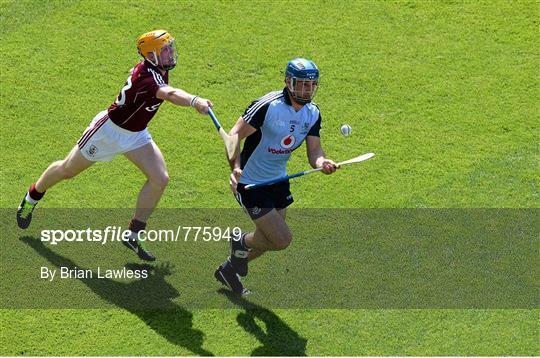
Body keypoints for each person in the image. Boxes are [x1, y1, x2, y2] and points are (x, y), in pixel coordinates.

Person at [16, 30, 213, 261]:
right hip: (108, 133)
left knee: (160, 178)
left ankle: (133, 233)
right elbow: (168, 94)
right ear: (151, 55)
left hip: (136, 135)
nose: (170, 53)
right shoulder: (149, 79)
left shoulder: (155, 69)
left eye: (170, 48)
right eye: (165, 50)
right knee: (67, 170)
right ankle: (32, 197)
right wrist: (194, 100)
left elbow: (147, 79)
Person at [214, 58, 338, 294]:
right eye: (302, 84)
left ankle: (229, 269)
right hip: (251, 183)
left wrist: (323, 162)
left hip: (279, 181)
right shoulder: (268, 106)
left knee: (269, 239)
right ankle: (240, 241)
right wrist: (235, 169)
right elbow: (233, 136)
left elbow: (315, 152)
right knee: (281, 239)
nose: (307, 90)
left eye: (312, 85)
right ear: (288, 82)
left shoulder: (312, 113)